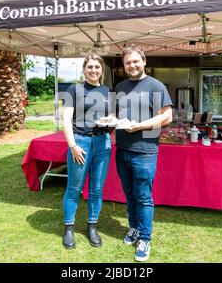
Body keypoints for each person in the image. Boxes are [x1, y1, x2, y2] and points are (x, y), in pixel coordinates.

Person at [114, 45, 173, 261]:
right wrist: (111, 121)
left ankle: (145, 239)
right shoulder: (120, 86)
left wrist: (138, 126)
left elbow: (166, 117)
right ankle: (134, 228)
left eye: (135, 61)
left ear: (144, 61)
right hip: (122, 150)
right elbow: (118, 115)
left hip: (145, 152)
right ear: (124, 66)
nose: (132, 65)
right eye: (128, 62)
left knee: (144, 197)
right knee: (129, 195)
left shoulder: (156, 87)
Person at [60, 54, 112, 249]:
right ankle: (69, 228)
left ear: (102, 70)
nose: (93, 70)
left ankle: (92, 226)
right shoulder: (75, 89)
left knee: (97, 189)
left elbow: (109, 115)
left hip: (102, 143)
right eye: (90, 67)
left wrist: (110, 119)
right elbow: (65, 119)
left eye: (97, 67)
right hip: (80, 142)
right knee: (74, 188)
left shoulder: (107, 90)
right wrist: (73, 146)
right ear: (84, 70)